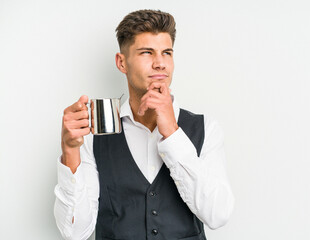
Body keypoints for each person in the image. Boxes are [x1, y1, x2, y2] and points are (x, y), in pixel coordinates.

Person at [54, 9, 234, 240]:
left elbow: (218, 215)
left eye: (166, 53)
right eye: (147, 52)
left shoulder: (205, 128)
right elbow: (75, 233)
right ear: (122, 62)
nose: (160, 64)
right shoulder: (93, 134)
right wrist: (70, 151)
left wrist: (172, 133)